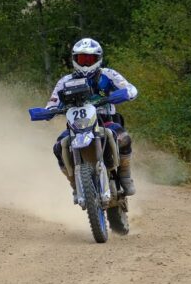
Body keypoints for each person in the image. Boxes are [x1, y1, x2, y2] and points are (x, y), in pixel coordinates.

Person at [46, 38, 138, 196]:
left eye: (90, 59)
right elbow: (53, 101)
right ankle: (74, 183)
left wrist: (125, 93)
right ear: (75, 59)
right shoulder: (65, 81)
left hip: (105, 121)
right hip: (76, 126)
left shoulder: (108, 74)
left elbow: (129, 88)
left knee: (124, 138)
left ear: (98, 59)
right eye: (82, 59)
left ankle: (125, 176)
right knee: (58, 147)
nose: (86, 63)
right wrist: (49, 110)